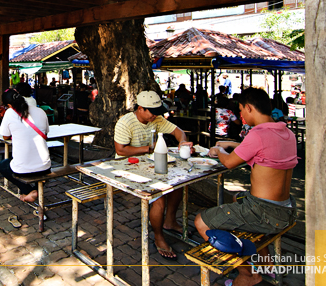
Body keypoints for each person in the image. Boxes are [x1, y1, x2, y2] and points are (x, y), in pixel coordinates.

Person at [194, 87, 298, 286]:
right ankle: (268, 265)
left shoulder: (257, 135)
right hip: (286, 208)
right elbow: (258, 150)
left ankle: (247, 274)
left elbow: (230, 162)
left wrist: (218, 150)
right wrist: (231, 143)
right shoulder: (286, 132)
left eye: (241, 110)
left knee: (201, 221)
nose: (240, 114)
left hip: (264, 212)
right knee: (237, 197)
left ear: (249, 108)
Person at [114, 90, 192, 260]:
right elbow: (121, 149)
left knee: (178, 184)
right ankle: (158, 236)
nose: (155, 116)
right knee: (159, 196)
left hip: (148, 164)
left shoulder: (155, 119)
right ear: (140, 108)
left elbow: (178, 131)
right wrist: (149, 149)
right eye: (152, 112)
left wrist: (183, 142)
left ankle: (169, 221)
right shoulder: (125, 122)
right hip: (127, 166)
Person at [0, 89, 51, 203]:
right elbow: (45, 134)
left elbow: (5, 136)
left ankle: (27, 190)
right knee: (41, 166)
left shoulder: (10, 113)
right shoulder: (40, 111)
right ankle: (35, 189)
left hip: (21, 170)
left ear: (8, 105)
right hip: (45, 168)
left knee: (2, 165)